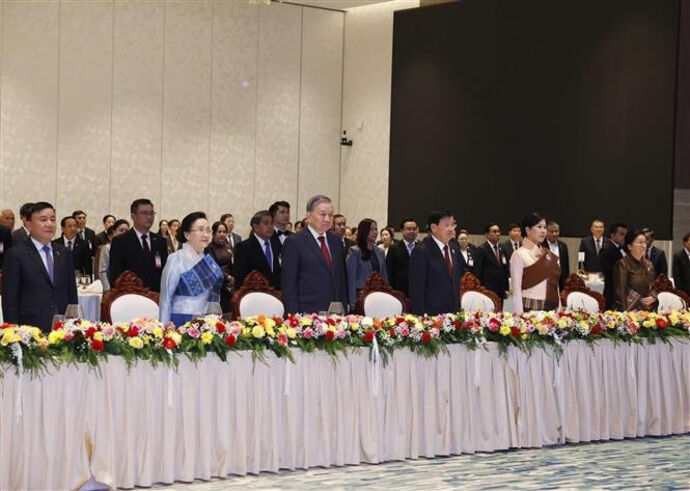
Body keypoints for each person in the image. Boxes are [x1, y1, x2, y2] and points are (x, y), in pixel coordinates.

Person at [2, 202, 78, 332]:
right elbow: (10, 300)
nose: (49, 224)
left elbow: (72, 293)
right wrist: (13, 332)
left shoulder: (63, 253)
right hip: (30, 331)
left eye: (52, 219)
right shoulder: (16, 254)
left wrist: (73, 325)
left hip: (62, 330)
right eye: (43, 220)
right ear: (29, 224)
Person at [281, 195, 348, 314]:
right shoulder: (294, 242)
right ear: (309, 216)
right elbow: (289, 285)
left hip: (335, 313)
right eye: (322, 214)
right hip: (307, 313)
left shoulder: (336, 241)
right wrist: (294, 316)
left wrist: (344, 308)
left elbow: (341, 278)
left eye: (330, 215)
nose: (327, 219)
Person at [160, 212, 224, 326]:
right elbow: (166, 298)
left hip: (206, 321)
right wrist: (164, 328)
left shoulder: (208, 260)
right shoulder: (176, 259)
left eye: (208, 230)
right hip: (181, 320)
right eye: (200, 230)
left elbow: (213, 297)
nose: (206, 235)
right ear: (187, 234)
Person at [409, 210, 462, 315]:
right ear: (433, 227)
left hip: (453, 314)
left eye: (452, 224)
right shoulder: (421, 251)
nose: (451, 229)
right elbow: (417, 290)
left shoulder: (454, 249)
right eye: (446, 225)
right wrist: (420, 317)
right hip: (431, 316)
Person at [109, 198, 168, 291]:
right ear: (133, 216)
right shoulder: (120, 241)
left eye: (151, 213)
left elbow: (164, 271)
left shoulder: (160, 241)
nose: (149, 217)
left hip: (156, 295)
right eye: (145, 213)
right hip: (131, 294)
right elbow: (115, 275)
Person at [510, 213, 561, 313]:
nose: (543, 231)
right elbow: (516, 290)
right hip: (529, 312)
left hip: (551, 310)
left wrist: (559, 308)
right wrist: (519, 316)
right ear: (528, 230)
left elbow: (555, 285)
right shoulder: (519, 254)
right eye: (539, 227)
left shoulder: (548, 254)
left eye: (545, 227)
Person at [346, 219, 388, 310]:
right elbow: (351, 279)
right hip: (361, 296)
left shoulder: (380, 252)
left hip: (378, 296)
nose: (375, 232)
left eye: (376, 229)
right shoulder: (355, 251)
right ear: (364, 231)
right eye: (371, 229)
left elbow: (384, 277)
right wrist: (352, 301)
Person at [234, 210, 282, 289]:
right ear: (255, 226)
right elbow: (240, 279)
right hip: (255, 293)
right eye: (266, 223)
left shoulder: (276, 245)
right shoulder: (244, 247)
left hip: (276, 293)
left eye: (271, 223)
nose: (270, 226)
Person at [614, 229, 657, 311]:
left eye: (645, 242)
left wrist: (653, 296)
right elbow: (620, 292)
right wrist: (625, 314)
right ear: (629, 246)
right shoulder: (623, 264)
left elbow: (653, 286)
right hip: (631, 310)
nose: (643, 246)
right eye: (640, 242)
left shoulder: (649, 264)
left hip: (648, 310)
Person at [205, 221, 235, 313]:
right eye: (219, 232)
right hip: (218, 284)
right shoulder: (209, 248)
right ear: (214, 233)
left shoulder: (228, 246)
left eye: (224, 232)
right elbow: (213, 266)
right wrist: (227, 276)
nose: (222, 234)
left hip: (231, 283)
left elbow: (232, 262)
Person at [474, 222, 510, 300]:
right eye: (494, 231)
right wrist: (480, 290)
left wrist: (506, 289)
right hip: (487, 290)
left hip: (501, 290)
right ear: (487, 235)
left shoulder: (502, 248)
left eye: (499, 231)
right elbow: (477, 272)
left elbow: (505, 270)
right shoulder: (481, 249)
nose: (497, 234)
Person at [386, 218, 420, 297]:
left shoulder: (422, 247)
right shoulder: (394, 248)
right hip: (400, 292)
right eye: (408, 229)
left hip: (418, 291)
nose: (412, 231)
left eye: (414, 229)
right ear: (402, 231)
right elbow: (389, 272)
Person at [600, 223, 628, 310]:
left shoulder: (624, 249)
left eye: (626, 235)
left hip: (624, 291)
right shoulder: (606, 250)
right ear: (612, 235)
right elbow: (608, 271)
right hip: (612, 292)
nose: (624, 237)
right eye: (621, 234)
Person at [98, 219, 130, 292]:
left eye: (126, 231)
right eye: (121, 230)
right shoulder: (107, 248)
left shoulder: (131, 247)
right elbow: (103, 271)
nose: (124, 233)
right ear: (114, 232)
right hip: (112, 288)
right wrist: (108, 290)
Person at [544, 220, 570, 289]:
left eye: (556, 231)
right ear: (546, 232)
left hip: (560, 282)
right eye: (551, 231)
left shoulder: (563, 246)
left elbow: (566, 267)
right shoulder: (541, 246)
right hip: (546, 282)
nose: (554, 234)